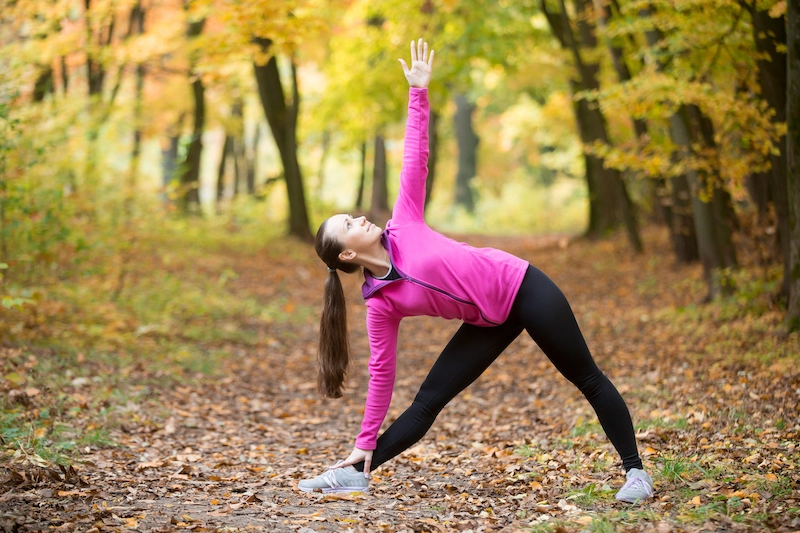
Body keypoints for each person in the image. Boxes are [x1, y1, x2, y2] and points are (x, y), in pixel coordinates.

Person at [298, 38, 654, 504]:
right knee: (427, 402)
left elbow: (414, 157)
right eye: (348, 225)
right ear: (346, 255)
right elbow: (381, 373)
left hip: (523, 286)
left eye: (352, 215)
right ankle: (358, 471)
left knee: (585, 376)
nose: (358, 218)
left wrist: (418, 92)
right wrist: (364, 439)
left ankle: (636, 474)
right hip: (488, 320)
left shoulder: (403, 222)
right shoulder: (380, 304)